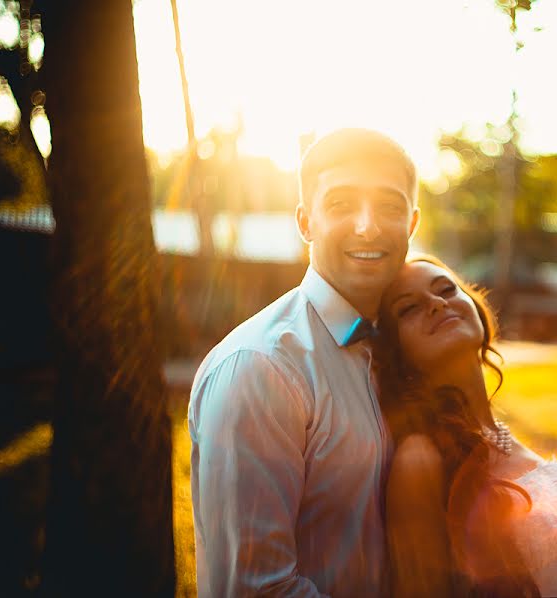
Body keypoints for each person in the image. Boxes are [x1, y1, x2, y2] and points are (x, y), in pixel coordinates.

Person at [188, 128, 420, 596]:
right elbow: (257, 589)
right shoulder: (260, 368)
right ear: (305, 222)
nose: (368, 226)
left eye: (390, 207)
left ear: (412, 224)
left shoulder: (405, 351)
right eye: (340, 205)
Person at [376, 254, 557, 598]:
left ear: (475, 308)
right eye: (408, 308)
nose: (436, 303)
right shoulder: (419, 459)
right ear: (397, 353)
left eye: (446, 289)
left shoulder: (497, 435)